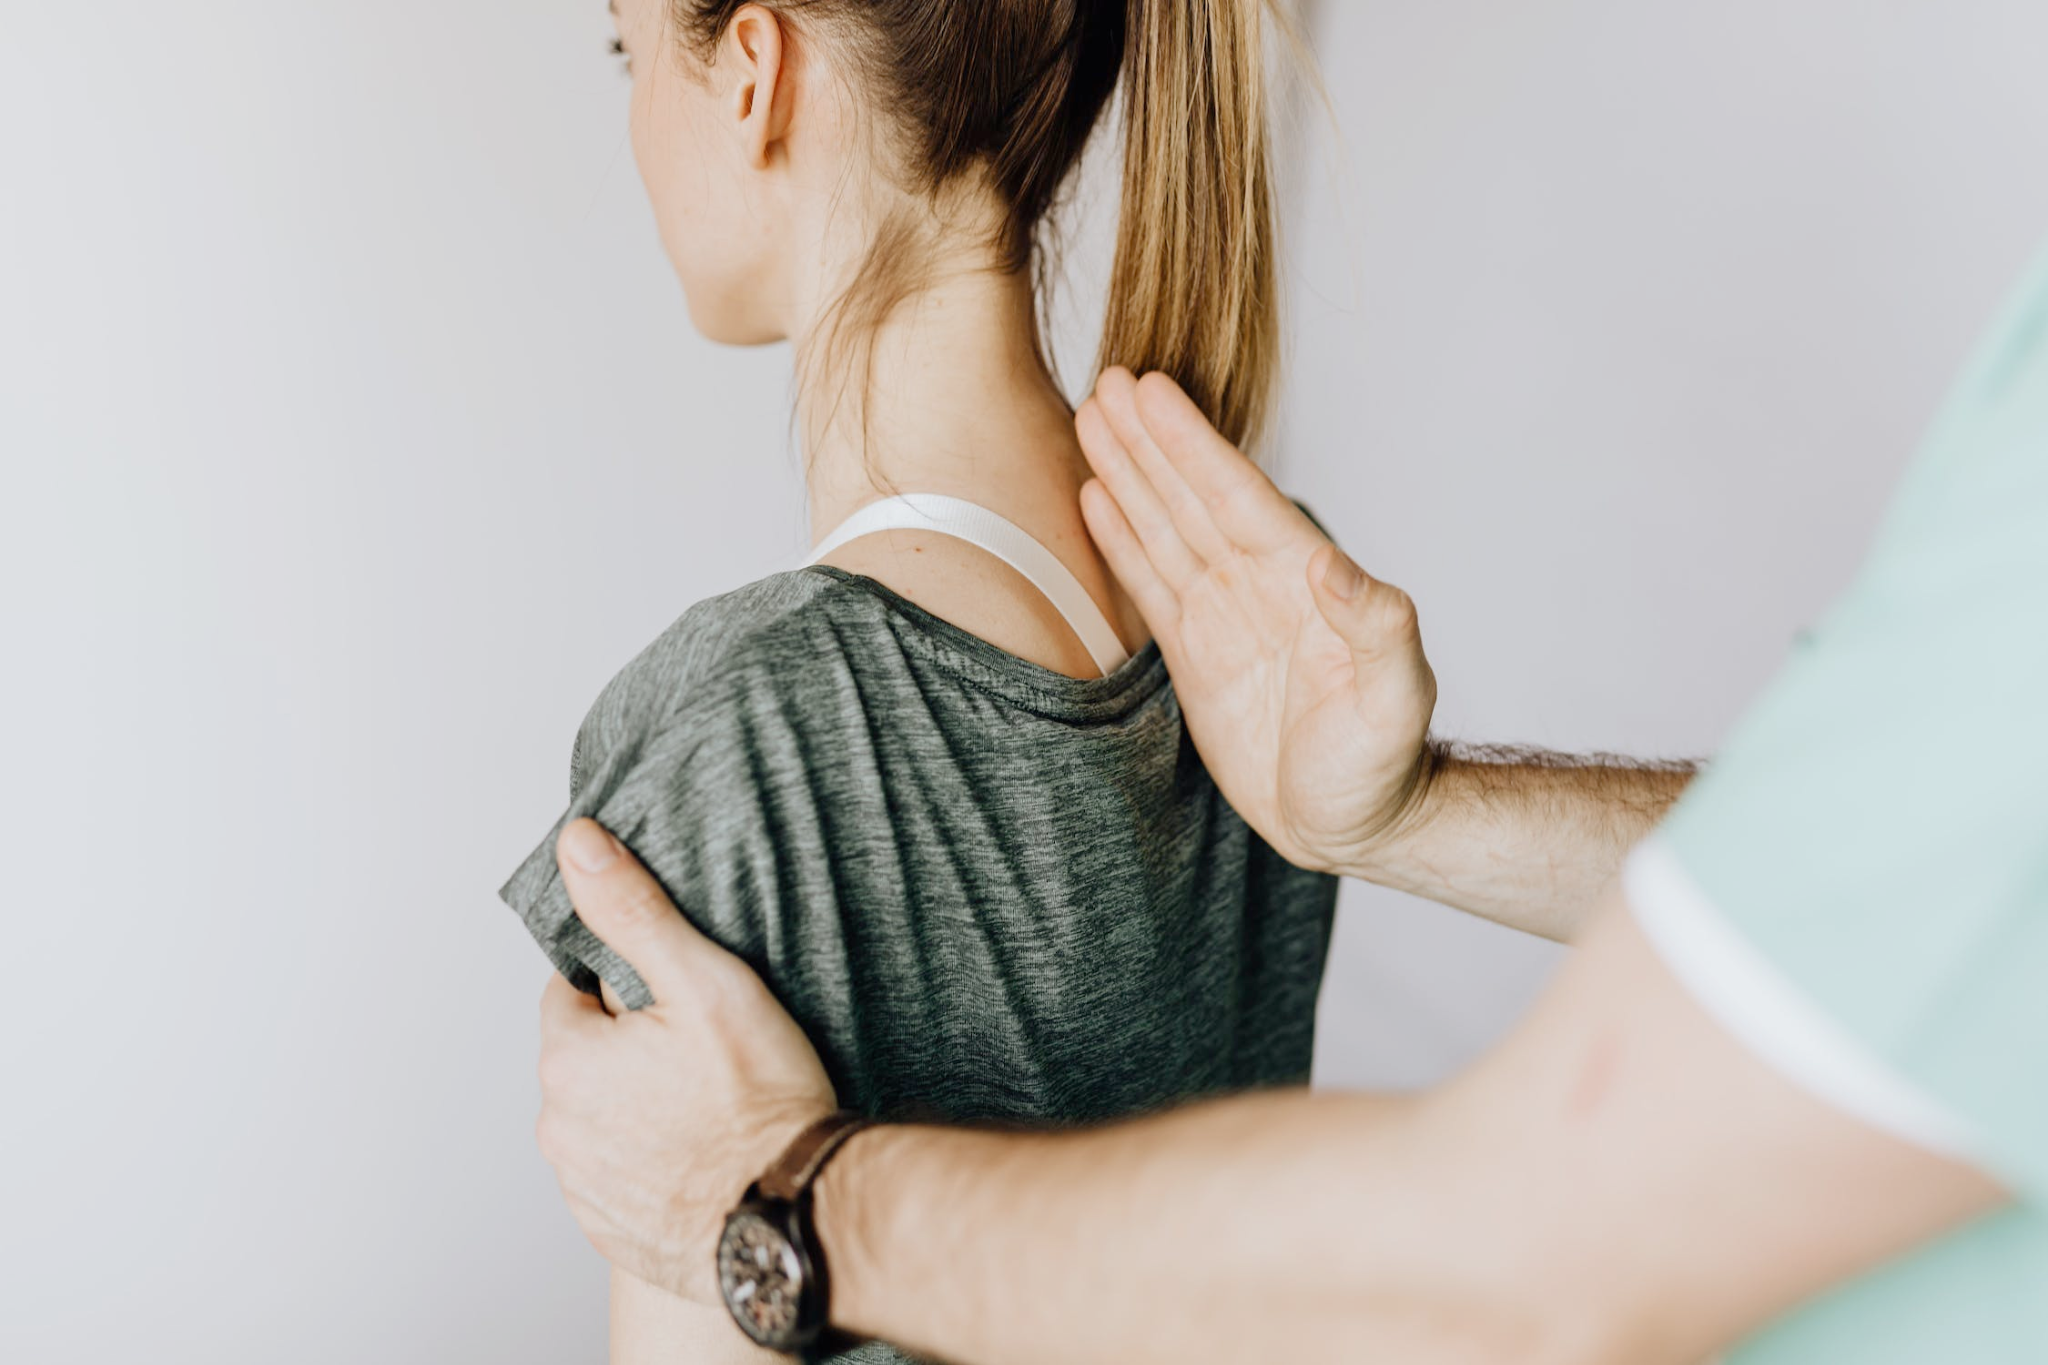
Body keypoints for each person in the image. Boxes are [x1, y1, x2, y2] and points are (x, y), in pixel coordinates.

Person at [531, 243, 2048, 1361]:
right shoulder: (1206, 645)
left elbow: (1524, 1262)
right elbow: (1904, 883)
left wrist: (785, 1197)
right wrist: (1407, 813)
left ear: (754, 72)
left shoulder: (743, 719)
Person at [500, 2, 1426, 1360]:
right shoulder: (1260, 627)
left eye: (626, 49)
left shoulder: (747, 738)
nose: (631, 108)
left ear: (754, 73)